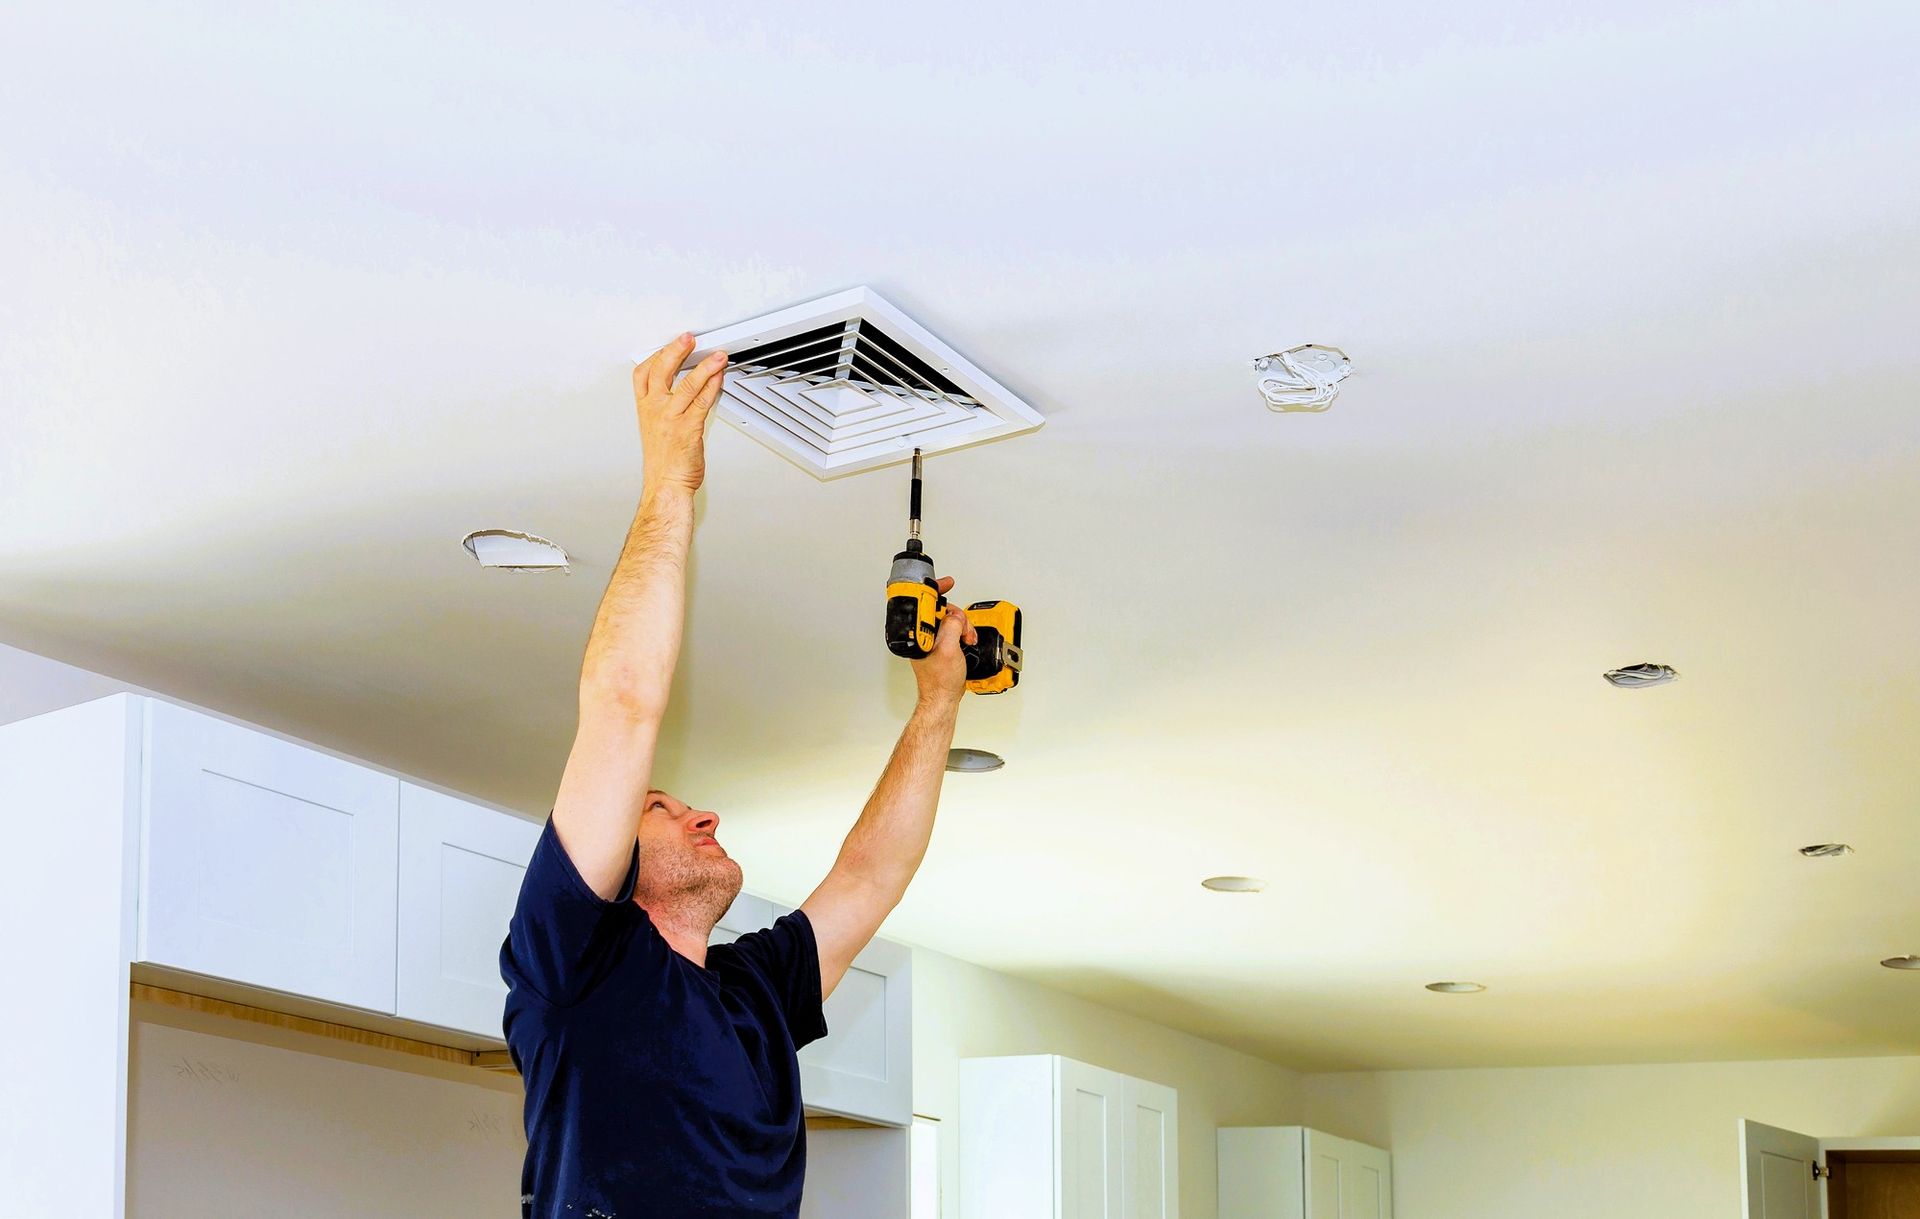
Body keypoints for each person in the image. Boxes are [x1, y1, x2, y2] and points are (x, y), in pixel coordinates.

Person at [500, 333, 975, 1219]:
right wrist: (667, 488)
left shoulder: (754, 990)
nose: (701, 813)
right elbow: (622, 705)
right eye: (659, 805)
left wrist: (938, 704)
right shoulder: (573, 966)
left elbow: (874, 873)